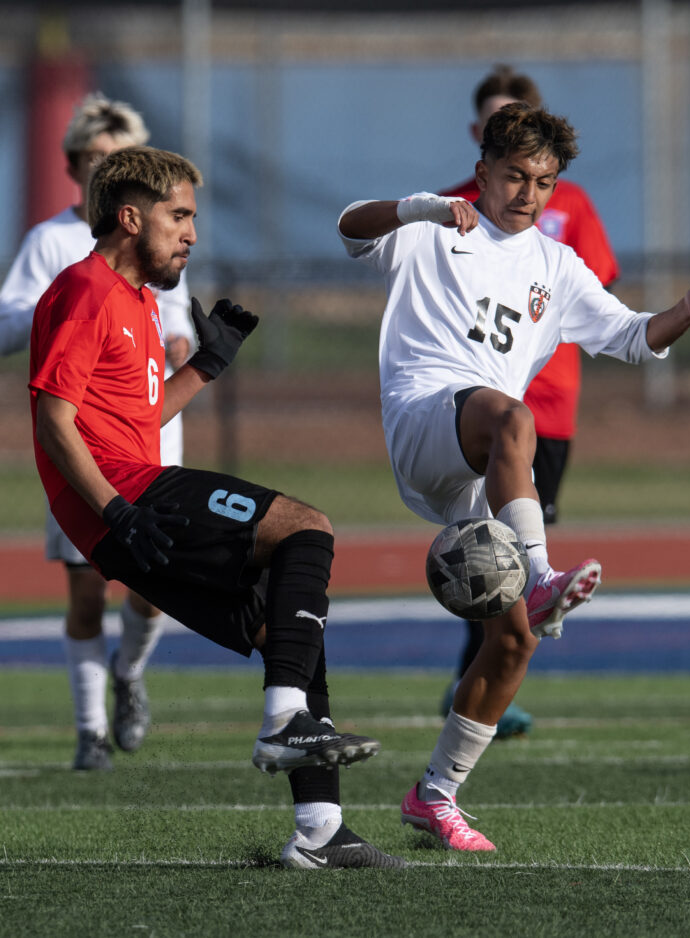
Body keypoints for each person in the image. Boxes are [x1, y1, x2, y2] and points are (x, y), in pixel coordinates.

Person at [338, 101, 690, 851]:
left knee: (513, 642)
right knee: (518, 417)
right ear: (484, 169)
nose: (528, 193)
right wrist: (417, 205)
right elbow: (349, 226)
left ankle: (436, 795)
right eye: (516, 175)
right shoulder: (436, 227)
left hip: (473, 467)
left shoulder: (554, 265)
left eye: (545, 182)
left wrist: (685, 309)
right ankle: (542, 571)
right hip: (427, 417)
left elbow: (628, 337)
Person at [28, 145, 404, 869]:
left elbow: (138, 420)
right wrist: (115, 512)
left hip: (130, 498)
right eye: (179, 215)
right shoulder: (86, 288)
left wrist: (205, 366)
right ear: (130, 217)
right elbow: (53, 418)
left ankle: (320, 831)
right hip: (127, 498)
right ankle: (281, 724)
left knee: (291, 630)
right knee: (307, 528)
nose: (192, 233)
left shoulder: (137, 300)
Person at [0, 93, 195, 770]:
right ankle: (89, 730)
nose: (104, 169)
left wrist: (189, 348)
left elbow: (171, 322)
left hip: (149, 438)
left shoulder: (159, 240)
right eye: (92, 158)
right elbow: (11, 326)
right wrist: (68, 312)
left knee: (152, 589)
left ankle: (130, 674)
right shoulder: (56, 247)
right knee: (86, 587)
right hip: (86, 447)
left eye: (117, 157)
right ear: (74, 164)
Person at [438, 65, 622, 742]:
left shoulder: (567, 203)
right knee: (493, 552)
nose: (528, 190)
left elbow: (596, 288)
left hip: (552, 403)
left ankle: (484, 675)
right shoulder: (449, 210)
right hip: (473, 405)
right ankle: (481, 680)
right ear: (480, 144)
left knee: (515, 546)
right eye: (496, 121)